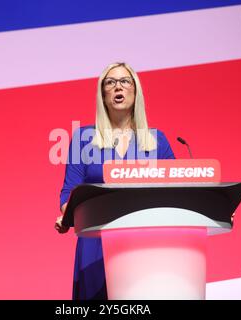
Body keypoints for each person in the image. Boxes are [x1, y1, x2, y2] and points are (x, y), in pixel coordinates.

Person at [55, 62, 176, 300]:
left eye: (124, 81)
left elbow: (180, 189)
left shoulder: (156, 141)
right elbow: (68, 192)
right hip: (96, 245)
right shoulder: (83, 139)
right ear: (103, 94)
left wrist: (212, 208)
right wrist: (68, 215)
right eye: (110, 82)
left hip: (145, 246)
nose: (117, 87)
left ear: (135, 90)